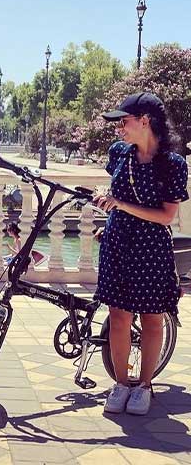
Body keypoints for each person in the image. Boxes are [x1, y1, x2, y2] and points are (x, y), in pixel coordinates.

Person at [94, 92, 188, 416]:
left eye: (124, 122)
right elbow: (119, 190)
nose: (119, 129)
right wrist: (108, 198)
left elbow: (165, 216)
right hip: (118, 241)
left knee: (151, 318)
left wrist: (120, 205)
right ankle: (121, 383)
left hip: (151, 247)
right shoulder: (119, 154)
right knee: (118, 317)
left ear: (145, 121)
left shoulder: (173, 165)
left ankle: (144, 384)